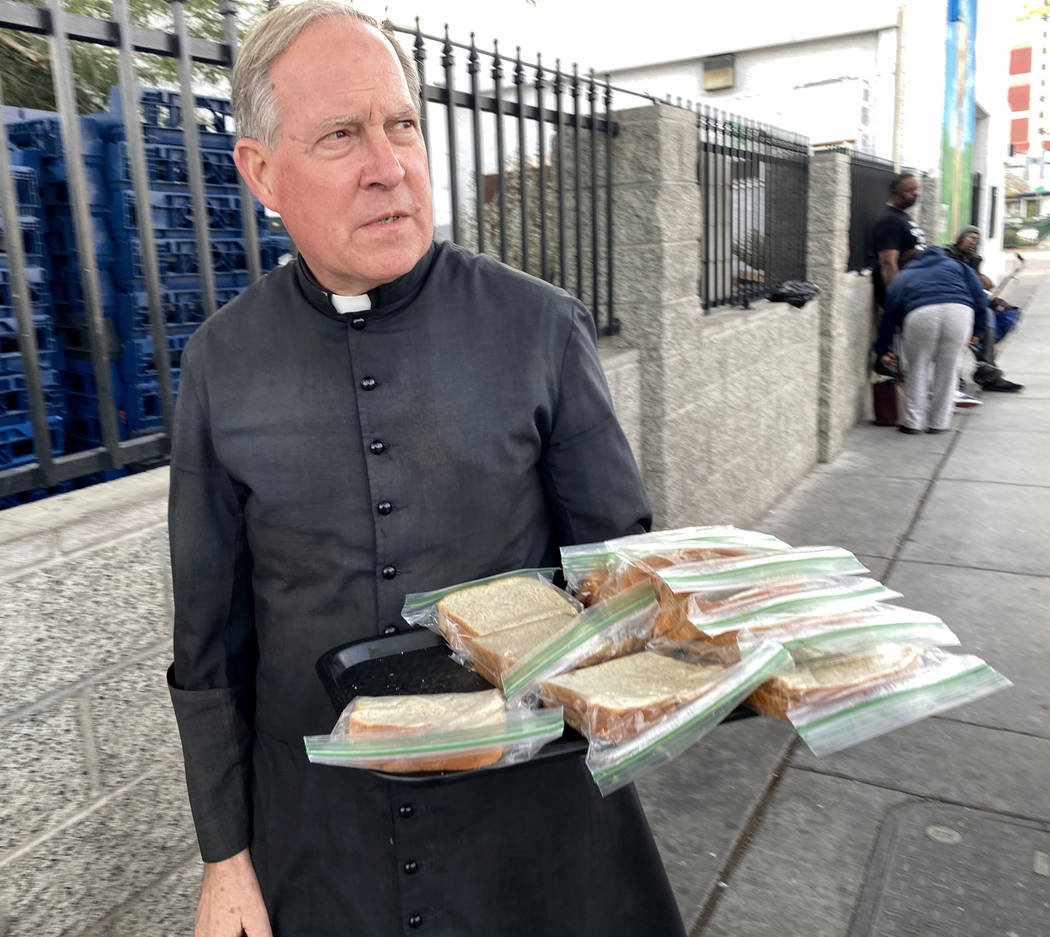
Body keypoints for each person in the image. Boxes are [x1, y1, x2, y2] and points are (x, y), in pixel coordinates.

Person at [166, 3, 686, 936]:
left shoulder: (537, 328)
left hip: (528, 830)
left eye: (401, 124)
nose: (388, 166)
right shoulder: (221, 363)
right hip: (323, 842)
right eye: (340, 135)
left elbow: (620, 581)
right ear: (261, 172)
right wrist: (225, 859)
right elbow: (209, 645)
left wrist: (708, 637)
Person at [875, 246, 988, 433]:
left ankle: (913, 423)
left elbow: (889, 313)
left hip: (920, 315)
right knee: (949, 368)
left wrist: (882, 349)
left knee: (917, 367)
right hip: (959, 312)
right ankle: (939, 423)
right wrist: (979, 330)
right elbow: (980, 298)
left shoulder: (905, 275)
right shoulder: (958, 266)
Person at [943, 226, 1024, 393]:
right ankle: (957, 376)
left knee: (994, 313)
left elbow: (982, 286)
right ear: (960, 239)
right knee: (973, 319)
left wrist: (992, 299)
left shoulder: (973, 259)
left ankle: (987, 368)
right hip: (948, 302)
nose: (974, 243)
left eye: (977, 240)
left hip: (969, 303)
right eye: (971, 238)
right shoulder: (947, 255)